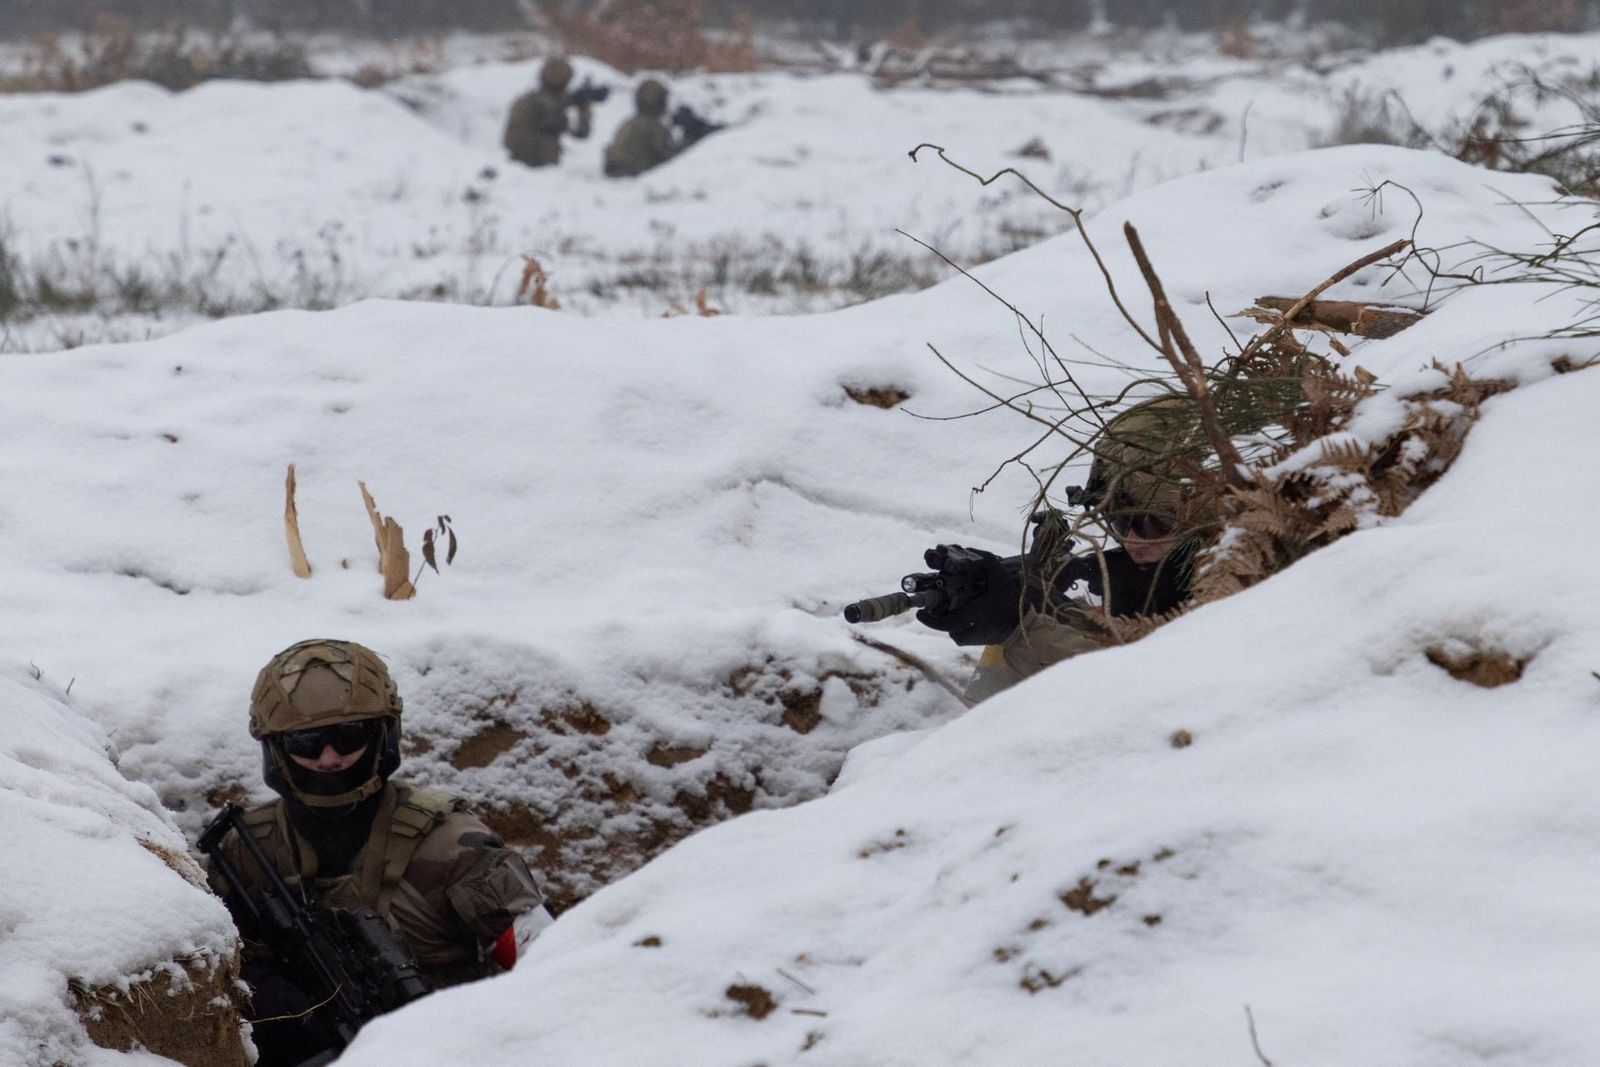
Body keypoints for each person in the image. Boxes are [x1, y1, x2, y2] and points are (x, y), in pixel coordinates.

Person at [206, 639, 550, 1066]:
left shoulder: (454, 848)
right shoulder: (247, 851)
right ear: (275, 748)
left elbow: (554, 973)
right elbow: (199, 981)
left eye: (349, 735)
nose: (329, 758)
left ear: (383, 735)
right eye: (306, 741)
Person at [918, 397, 1214, 701]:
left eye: (1155, 524)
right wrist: (1048, 606)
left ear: (1205, 512)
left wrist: (1022, 631)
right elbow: (1118, 641)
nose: (1132, 540)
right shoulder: (1149, 570)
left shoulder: (1245, 584)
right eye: (1118, 521)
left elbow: (1149, 691)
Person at [503, 56, 592, 168]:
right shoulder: (544, 104)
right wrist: (584, 110)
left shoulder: (529, 99)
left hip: (520, 158)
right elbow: (579, 133)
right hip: (535, 160)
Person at [604, 77, 679, 178]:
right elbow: (665, 154)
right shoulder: (654, 126)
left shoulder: (628, 122)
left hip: (616, 169)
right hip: (635, 170)